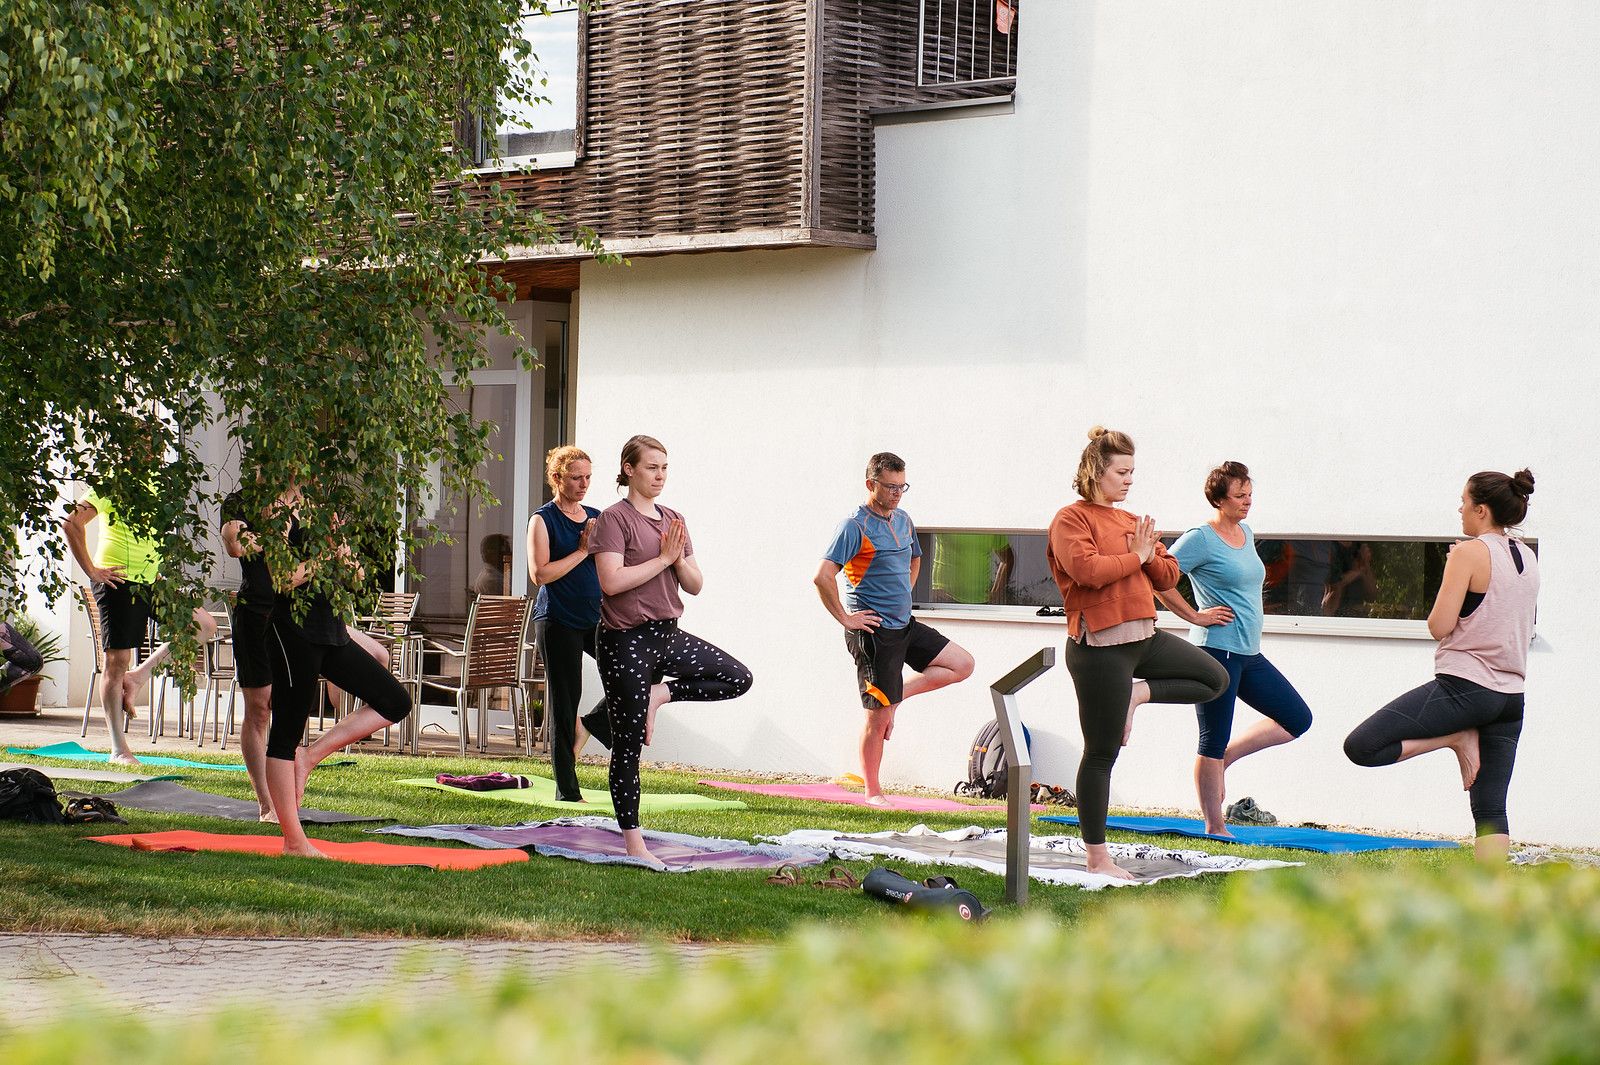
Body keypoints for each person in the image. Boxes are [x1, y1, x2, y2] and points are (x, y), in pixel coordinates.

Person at [1047, 427, 1229, 880]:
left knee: (1215, 680)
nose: (1129, 480)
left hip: (1144, 638)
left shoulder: (1131, 522)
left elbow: (1168, 576)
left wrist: (1145, 555)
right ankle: (1097, 856)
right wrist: (1137, 556)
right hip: (1100, 650)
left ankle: (1139, 694)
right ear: (1096, 471)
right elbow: (1087, 572)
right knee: (1102, 753)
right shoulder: (1070, 520)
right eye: (1121, 472)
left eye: (1132, 472)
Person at [1344, 470, 1539, 864]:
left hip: (1465, 689)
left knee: (1361, 746)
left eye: (1464, 502)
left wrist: (1454, 569)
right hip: (1510, 699)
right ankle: (1493, 904)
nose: (1460, 509)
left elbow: (1439, 626)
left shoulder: (1468, 553)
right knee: (1490, 811)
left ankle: (1454, 739)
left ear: (1481, 510)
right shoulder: (1528, 557)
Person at [592, 435, 752, 866]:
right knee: (627, 745)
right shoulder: (613, 519)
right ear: (629, 469)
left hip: (668, 634)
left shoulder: (674, 519)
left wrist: (676, 558)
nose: (660, 475)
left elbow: (696, 585)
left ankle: (661, 694)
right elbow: (611, 582)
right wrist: (662, 560)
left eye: (665, 467)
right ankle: (635, 845)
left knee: (738, 677)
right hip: (624, 640)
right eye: (651, 467)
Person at [1157, 461, 1313, 835]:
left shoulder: (1245, 530)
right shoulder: (1200, 537)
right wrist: (1194, 616)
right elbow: (1159, 579)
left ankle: (1225, 759)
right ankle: (1215, 825)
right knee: (1212, 739)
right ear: (1218, 499)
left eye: (1250, 494)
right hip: (1215, 651)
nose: (1247, 502)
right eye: (1239, 496)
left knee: (1297, 718)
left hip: (1248, 652)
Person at [814, 453, 975, 806]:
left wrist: (906, 591)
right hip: (874, 632)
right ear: (871, 484)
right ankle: (873, 791)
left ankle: (896, 696)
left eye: (902, 486)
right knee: (877, 715)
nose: (897, 493)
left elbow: (915, 557)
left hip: (905, 624)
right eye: (890, 487)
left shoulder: (903, 519)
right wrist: (846, 618)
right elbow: (823, 577)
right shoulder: (853, 526)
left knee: (961, 664)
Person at [263, 483, 413, 857]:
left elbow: (357, 577)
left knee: (394, 701)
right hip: (292, 631)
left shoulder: (316, 510)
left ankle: (310, 756)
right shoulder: (274, 511)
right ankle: (294, 841)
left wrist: (341, 551)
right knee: (285, 734)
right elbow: (282, 579)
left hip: (332, 631)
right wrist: (322, 555)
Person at [62, 482, 218, 765]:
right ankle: (118, 749)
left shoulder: (161, 483)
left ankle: (140, 675)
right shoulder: (113, 480)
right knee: (117, 661)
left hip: (151, 581)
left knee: (203, 624)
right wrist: (92, 571)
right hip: (117, 579)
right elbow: (72, 523)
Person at [528, 445, 602, 803]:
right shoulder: (542, 520)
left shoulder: (596, 517)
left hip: (598, 618)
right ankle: (568, 792)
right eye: (576, 477)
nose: (584, 484)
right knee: (564, 702)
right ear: (557, 478)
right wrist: (582, 551)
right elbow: (540, 574)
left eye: (588, 477)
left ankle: (591, 724)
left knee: (642, 672)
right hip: (557, 622)